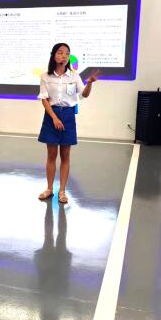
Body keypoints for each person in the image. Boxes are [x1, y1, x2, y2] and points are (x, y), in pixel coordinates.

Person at [37, 43, 99, 204]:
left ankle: (62, 191)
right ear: (53, 55)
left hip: (68, 116)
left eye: (67, 53)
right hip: (51, 115)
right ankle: (49, 189)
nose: (64, 56)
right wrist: (54, 118)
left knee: (65, 155)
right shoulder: (45, 76)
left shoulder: (74, 76)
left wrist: (90, 83)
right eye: (60, 53)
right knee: (51, 155)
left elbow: (84, 94)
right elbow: (44, 99)